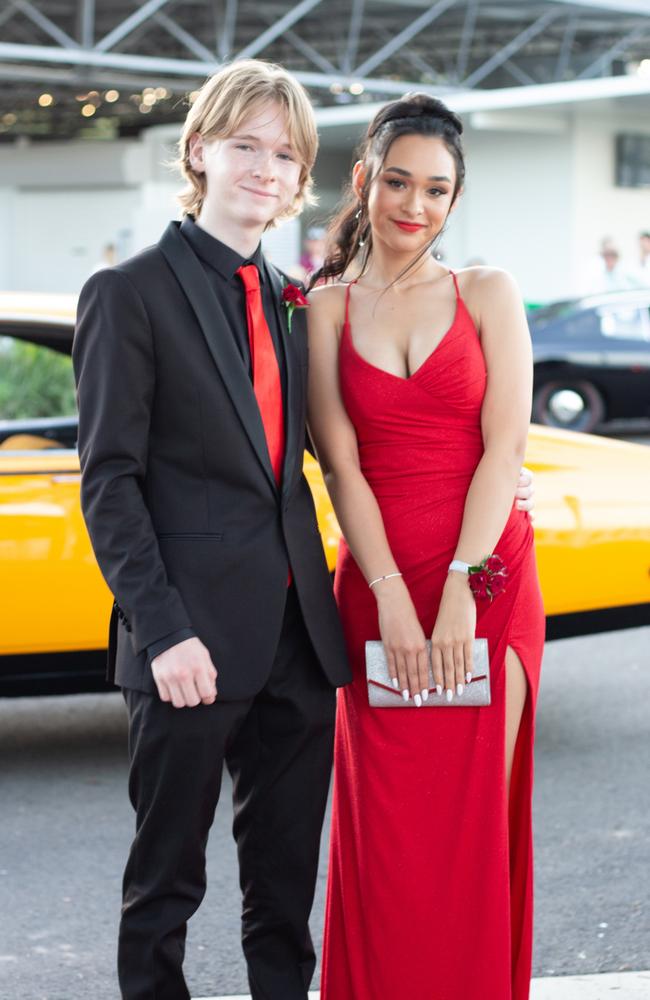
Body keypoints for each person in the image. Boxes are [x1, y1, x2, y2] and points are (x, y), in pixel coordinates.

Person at [72, 60, 352, 1000]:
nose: (266, 168)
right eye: (246, 146)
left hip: (298, 641)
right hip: (185, 643)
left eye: (285, 153)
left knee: (284, 890)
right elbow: (109, 483)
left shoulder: (293, 300)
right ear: (199, 152)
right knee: (165, 889)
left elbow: (324, 457)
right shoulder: (129, 292)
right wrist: (163, 631)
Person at [306, 94, 545, 1000]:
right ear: (364, 179)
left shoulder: (486, 290)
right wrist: (396, 598)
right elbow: (340, 468)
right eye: (398, 181)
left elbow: (505, 450)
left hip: (491, 581)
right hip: (375, 592)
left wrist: (457, 587)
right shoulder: (324, 309)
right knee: (389, 836)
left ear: (456, 199)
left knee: (473, 826)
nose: (415, 205)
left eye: (437, 190)